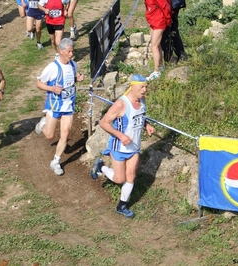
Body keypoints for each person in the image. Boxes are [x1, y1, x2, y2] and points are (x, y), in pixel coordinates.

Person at [90, 74, 155, 218]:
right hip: (119, 147)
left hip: (134, 147)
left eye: (146, 87)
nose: (145, 90)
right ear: (132, 86)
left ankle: (121, 206)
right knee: (120, 179)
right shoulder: (121, 104)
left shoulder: (142, 100)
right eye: (142, 87)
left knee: (131, 176)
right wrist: (121, 136)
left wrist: (147, 125)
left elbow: (140, 116)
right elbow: (103, 123)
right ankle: (100, 166)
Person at [34, 38, 85, 175]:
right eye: (69, 51)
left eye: (72, 51)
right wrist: (51, 89)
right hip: (55, 105)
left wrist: (77, 79)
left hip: (68, 105)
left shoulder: (74, 65)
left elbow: (69, 81)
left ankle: (55, 162)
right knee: (50, 135)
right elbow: (39, 83)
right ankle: (42, 124)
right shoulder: (52, 68)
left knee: (65, 133)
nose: (71, 54)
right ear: (61, 51)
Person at [144, 0, 172, 81]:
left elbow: (165, 7)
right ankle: (160, 67)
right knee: (157, 45)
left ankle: (156, 72)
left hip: (159, 22)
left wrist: (168, 20)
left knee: (154, 46)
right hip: (153, 21)